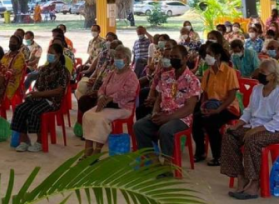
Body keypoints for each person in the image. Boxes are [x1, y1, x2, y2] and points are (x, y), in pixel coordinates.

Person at [221, 58, 279, 199]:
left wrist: (256, 130)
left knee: (252, 141)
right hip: (254, 126)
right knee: (229, 135)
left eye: (263, 72)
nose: (259, 74)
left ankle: (255, 183)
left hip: (277, 130)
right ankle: (242, 177)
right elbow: (249, 110)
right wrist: (238, 124)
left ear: (272, 75)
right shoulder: (257, 89)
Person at [134, 42, 202, 170]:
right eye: (171, 57)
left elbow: (189, 108)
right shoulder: (166, 76)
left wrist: (168, 118)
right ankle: (152, 160)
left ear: (185, 58)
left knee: (166, 130)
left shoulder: (192, 80)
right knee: (140, 126)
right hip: (163, 113)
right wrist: (155, 112)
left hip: (181, 118)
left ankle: (167, 164)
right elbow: (159, 97)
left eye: (176, 57)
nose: (172, 60)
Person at [11, 42, 72, 152]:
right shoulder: (44, 69)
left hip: (52, 101)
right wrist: (33, 94)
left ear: (58, 55)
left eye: (51, 53)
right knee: (20, 109)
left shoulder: (63, 71)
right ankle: (25, 140)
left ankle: (40, 141)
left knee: (34, 112)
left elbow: (59, 90)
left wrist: (40, 94)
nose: (49, 55)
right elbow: (38, 86)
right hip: (39, 98)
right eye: (48, 53)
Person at [81, 46, 139, 156]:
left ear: (127, 59)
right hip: (107, 104)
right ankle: (88, 149)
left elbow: (129, 93)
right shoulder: (112, 73)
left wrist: (111, 98)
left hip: (123, 107)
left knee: (100, 118)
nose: (116, 59)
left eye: (119, 57)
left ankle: (97, 151)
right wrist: (102, 95)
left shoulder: (132, 76)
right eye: (116, 57)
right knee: (87, 115)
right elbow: (102, 88)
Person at [192, 42, 240, 164]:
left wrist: (218, 110)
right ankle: (200, 152)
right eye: (206, 54)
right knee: (196, 119)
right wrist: (203, 106)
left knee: (211, 123)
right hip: (212, 105)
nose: (206, 57)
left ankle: (218, 156)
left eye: (209, 54)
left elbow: (232, 96)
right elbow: (205, 94)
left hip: (228, 108)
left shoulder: (229, 71)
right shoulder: (208, 73)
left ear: (218, 56)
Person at [2, 34, 30, 102]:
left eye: (14, 42)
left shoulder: (20, 57)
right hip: (4, 76)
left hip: (13, 79)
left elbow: (15, 70)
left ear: (19, 44)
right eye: (10, 42)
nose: (11, 44)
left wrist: (4, 73)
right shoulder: (6, 55)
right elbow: (1, 64)